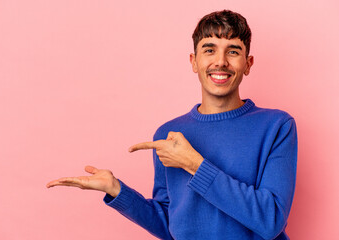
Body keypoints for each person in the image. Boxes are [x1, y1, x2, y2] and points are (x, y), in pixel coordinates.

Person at [47, 10, 297, 240]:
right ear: (193, 61)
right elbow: (170, 224)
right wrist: (117, 191)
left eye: (232, 51)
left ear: (248, 64)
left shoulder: (277, 126)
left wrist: (194, 164)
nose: (220, 61)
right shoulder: (169, 135)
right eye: (209, 50)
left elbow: (271, 220)